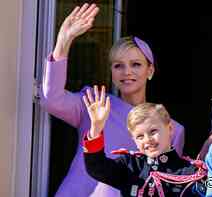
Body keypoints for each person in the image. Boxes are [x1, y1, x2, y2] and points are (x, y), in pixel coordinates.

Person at [40, 3, 185, 197]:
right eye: (118, 66)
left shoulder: (171, 128)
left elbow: (168, 183)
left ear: (150, 71)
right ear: (111, 72)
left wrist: (205, 154)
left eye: (135, 64)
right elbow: (52, 100)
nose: (127, 72)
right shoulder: (94, 102)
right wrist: (63, 41)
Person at [82, 94, 207, 197]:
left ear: (169, 129)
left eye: (153, 131)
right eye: (140, 136)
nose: (148, 140)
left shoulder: (192, 172)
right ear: (134, 140)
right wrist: (96, 129)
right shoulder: (130, 166)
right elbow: (97, 168)